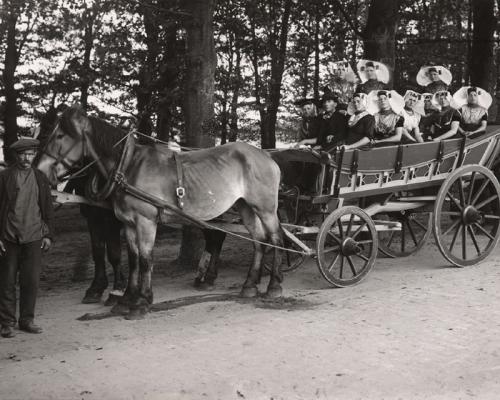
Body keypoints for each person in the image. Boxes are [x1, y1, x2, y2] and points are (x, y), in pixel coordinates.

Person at [0, 138, 54, 338]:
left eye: (30, 154)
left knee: (30, 281)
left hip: (34, 237)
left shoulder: (40, 177)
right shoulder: (4, 177)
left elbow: (47, 208)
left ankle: (26, 320)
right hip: (8, 238)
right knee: (6, 282)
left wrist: (47, 234)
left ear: (34, 155)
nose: (26, 158)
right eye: (22, 154)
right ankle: (6, 323)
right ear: (16, 155)